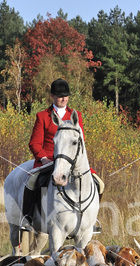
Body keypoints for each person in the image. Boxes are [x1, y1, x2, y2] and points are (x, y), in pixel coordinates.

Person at [21, 78, 104, 231]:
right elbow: (34, 143)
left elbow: (81, 141)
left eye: (65, 96)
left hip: (71, 161)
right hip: (49, 160)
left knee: (99, 183)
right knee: (32, 181)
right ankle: (28, 218)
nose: (63, 99)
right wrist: (43, 158)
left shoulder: (76, 115)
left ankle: (92, 220)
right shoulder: (43, 116)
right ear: (52, 96)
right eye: (60, 96)